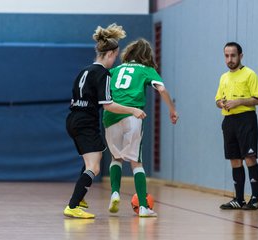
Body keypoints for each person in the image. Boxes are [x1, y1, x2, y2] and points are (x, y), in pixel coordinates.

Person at [64, 23, 147, 219]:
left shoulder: (84, 71)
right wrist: (133, 110)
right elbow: (108, 104)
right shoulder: (103, 74)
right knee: (94, 166)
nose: (115, 60)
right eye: (115, 56)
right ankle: (73, 205)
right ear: (110, 53)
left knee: (94, 156)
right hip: (85, 122)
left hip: (73, 119)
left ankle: (80, 195)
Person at [102, 38, 179, 217]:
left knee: (116, 158)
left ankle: (114, 193)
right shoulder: (146, 70)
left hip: (111, 114)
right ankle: (143, 207)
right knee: (137, 163)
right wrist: (172, 110)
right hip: (133, 115)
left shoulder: (116, 69)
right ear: (146, 55)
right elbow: (161, 89)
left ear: (128, 53)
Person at [215, 42, 258, 210]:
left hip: (246, 119)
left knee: (250, 157)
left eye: (233, 55)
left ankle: (255, 199)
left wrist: (239, 101)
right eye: (226, 56)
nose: (230, 59)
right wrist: (220, 103)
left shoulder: (250, 74)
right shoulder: (223, 77)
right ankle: (239, 198)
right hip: (229, 121)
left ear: (240, 56)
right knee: (234, 159)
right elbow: (217, 100)